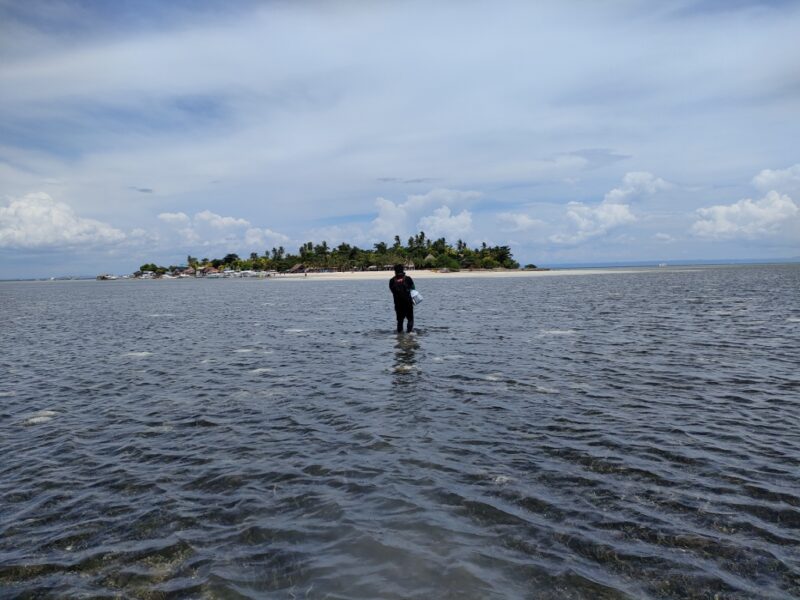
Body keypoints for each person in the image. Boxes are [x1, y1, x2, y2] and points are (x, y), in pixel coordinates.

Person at [389, 264, 415, 333]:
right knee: (410, 319)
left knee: (400, 321)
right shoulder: (408, 279)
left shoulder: (391, 281)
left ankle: (400, 336)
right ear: (403, 270)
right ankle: (409, 334)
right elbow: (413, 289)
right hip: (408, 303)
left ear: (395, 271)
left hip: (398, 304)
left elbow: (392, 291)